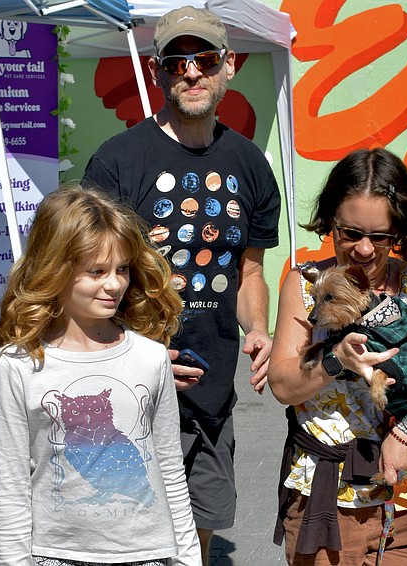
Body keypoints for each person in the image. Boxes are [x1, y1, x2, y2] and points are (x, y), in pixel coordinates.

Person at [82, 6, 281, 563]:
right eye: (176, 61)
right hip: (127, 396)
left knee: (198, 538)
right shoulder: (117, 162)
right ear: (157, 71)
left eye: (205, 59)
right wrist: (135, 357)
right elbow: (86, 284)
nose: (192, 72)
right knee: (127, 539)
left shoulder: (250, 165)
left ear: (228, 65)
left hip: (212, 393)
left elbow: (249, 272)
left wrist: (258, 329)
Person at [267, 147, 407, 565]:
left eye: (381, 237)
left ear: (400, 232)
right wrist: (335, 360)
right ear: (330, 223)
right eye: (350, 233)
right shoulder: (306, 285)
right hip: (333, 503)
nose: (365, 249)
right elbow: (282, 385)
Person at [0, 184, 201, 566]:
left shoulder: (150, 357)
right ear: (55, 269)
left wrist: (188, 559)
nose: (115, 284)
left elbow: (170, 470)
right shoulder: (18, 363)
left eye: (122, 269)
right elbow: (10, 485)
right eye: (96, 271)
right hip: (54, 554)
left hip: (146, 554)